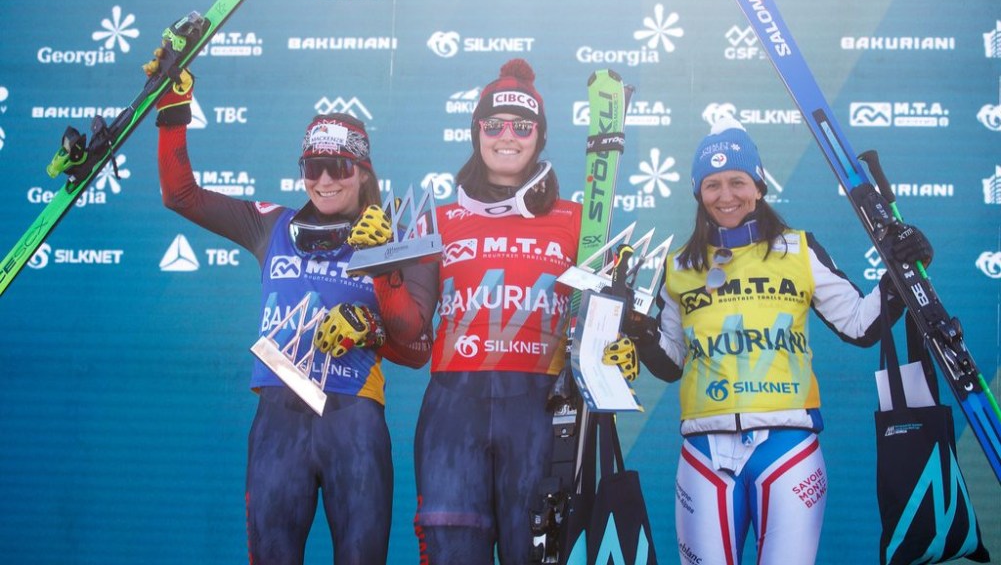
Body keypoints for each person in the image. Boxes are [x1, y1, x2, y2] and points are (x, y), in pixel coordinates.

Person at [603, 116, 934, 565]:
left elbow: (860, 324)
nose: (726, 196)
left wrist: (900, 275)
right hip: (704, 448)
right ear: (698, 193)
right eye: (712, 184)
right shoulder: (680, 265)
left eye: (737, 181)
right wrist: (641, 332)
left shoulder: (799, 248)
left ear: (758, 185)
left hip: (789, 446)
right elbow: (672, 362)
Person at [145, 52, 430, 565]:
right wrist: (173, 105)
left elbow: (415, 348)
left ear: (363, 172)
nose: (324, 180)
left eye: (338, 167)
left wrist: (373, 308)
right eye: (312, 167)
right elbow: (180, 195)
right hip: (278, 419)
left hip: (353, 420)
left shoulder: (399, 239)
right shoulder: (271, 225)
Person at [353, 58, 582, 563]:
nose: (508, 136)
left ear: (540, 137)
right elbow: (410, 332)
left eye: (523, 127)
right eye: (494, 124)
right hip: (455, 415)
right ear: (476, 131)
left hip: (541, 415)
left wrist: (620, 336)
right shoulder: (440, 221)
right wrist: (385, 276)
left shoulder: (575, 222)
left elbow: (597, 330)